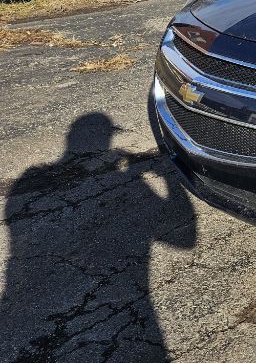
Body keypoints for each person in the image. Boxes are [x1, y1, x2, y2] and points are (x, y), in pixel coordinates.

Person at [0, 113, 197, 361]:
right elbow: (185, 240)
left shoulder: (28, 177)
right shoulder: (130, 181)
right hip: (124, 307)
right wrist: (168, 177)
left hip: (18, 305)